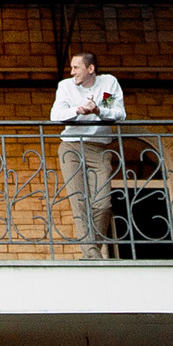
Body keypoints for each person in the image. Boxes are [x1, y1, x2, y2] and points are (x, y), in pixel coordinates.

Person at [50, 50, 125, 260]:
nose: (72, 72)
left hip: (99, 148)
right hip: (71, 147)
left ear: (90, 68)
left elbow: (117, 113)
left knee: (103, 204)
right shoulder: (66, 86)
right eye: (71, 68)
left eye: (76, 68)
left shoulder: (108, 84)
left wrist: (98, 110)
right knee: (79, 201)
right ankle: (91, 253)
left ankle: (93, 249)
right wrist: (78, 110)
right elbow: (56, 115)